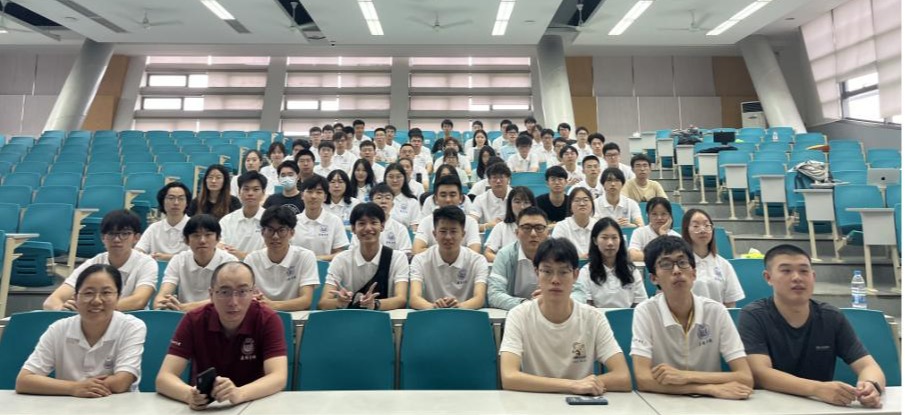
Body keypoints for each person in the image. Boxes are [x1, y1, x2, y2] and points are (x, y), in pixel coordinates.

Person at [738, 244, 885, 408]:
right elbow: (760, 373)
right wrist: (817, 389)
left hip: (821, 407)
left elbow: (868, 365)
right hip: (769, 407)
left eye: (804, 271)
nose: (797, 277)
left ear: (813, 276)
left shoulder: (831, 316)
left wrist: (871, 386)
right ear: (768, 277)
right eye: (786, 271)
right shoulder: (754, 315)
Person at [499, 238, 631, 395]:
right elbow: (509, 377)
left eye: (563, 272)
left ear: (575, 275)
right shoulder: (518, 315)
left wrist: (585, 385)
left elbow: (623, 377)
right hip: (535, 400)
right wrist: (572, 385)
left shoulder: (593, 318)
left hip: (581, 403)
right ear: (536, 273)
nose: (555, 280)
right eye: (547, 271)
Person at [631, 236, 754, 400]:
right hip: (664, 402)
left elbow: (745, 377)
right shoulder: (645, 312)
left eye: (682, 262)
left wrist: (686, 376)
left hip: (714, 404)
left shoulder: (717, 311)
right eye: (666, 264)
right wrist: (706, 389)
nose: (676, 270)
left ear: (694, 273)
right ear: (654, 278)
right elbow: (643, 379)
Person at [156, 262, 287, 409]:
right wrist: (189, 395)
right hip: (207, 408)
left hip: (255, 403)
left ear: (253, 293)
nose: (233, 302)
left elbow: (278, 377)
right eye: (225, 292)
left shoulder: (268, 319)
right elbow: (164, 378)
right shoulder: (193, 320)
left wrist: (239, 393)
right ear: (211, 294)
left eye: (242, 292)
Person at [17, 264, 146, 397]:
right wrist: (74, 388)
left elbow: (121, 383)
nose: (96, 301)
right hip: (69, 405)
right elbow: (24, 380)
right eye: (88, 293)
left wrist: (76, 386)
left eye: (106, 293)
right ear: (76, 298)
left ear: (118, 297)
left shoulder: (132, 327)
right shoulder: (58, 329)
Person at [43, 210, 157, 312]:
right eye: (111, 234)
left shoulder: (146, 263)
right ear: (103, 238)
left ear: (136, 237)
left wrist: (92, 307)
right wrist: (60, 309)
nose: (117, 239)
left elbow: (139, 301)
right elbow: (51, 301)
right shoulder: (93, 263)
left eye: (125, 234)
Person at [488, 207, 586, 310]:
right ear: (517, 233)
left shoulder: (560, 253)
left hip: (554, 312)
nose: (533, 234)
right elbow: (494, 294)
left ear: (548, 233)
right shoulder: (505, 255)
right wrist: (529, 305)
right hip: (519, 312)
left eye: (539, 228)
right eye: (526, 228)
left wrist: (554, 301)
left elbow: (579, 293)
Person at [317, 203, 409, 311]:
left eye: (374, 223)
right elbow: (323, 303)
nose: (368, 228)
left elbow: (401, 299)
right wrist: (339, 302)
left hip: (386, 318)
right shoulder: (341, 260)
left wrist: (374, 304)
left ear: (382, 226)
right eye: (362, 223)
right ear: (353, 229)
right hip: (352, 317)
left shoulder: (398, 258)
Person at [409, 206, 488, 310]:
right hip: (432, 315)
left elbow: (479, 298)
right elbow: (414, 298)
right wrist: (434, 307)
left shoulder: (478, 261)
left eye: (453, 231)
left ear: (463, 234)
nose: (448, 237)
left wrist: (458, 307)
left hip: (466, 315)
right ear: (434, 234)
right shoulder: (420, 260)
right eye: (443, 231)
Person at [155, 214, 238, 311]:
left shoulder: (230, 263)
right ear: (186, 240)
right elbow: (160, 299)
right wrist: (165, 303)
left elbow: (226, 299)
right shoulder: (178, 260)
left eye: (208, 235)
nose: (202, 240)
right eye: (196, 235)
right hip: (183, 316)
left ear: (218, 238)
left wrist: (183, 307)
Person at [243, 206, 320, 311]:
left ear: (292, 233)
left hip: (295, 316)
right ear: (262, 232)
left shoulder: (305, 256)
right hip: (260, 315)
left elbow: (306, 300)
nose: (275, 236)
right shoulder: (251, 260)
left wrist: (272, 305)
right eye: (270, 230)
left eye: (281, 230)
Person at [578, 217, 647, 308]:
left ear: (620, 240)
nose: (610, 243)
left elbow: (641, 305)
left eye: (614, 238)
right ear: (595, 240)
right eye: (604, 238)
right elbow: (586, 307)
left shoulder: (632, 271)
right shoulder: (586, 272)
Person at [681, 209, 745, 306]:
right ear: (686, 230)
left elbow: (730, 303)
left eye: (707, 225)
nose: (702, 230)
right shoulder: (680, 264)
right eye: (696, 226)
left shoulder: (724, 265)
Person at [413, 175, 481, 254]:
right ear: (436, 199)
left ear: (460, 198)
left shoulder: (471, 222)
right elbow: (417, 250)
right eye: (443, 195)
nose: (448, 200)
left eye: (452, 195)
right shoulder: (426, 222)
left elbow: (474, 252)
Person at [291, 175, 349, 261]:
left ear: (325, 197)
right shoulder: (293, 222)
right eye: (309, 192)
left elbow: (340, 253)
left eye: (319, 192)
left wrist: (316, 259)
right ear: (302, 195)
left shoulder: (334, 221)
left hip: (325, 268)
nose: (313, 196)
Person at [349, 183, 413, 255]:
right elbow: (353, 252)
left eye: (387, 198)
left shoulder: (400, 229)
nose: (383, 201)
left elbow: (405, 254)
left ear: (392, 205)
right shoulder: (362, 227)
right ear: (371, 202)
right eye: (379, 198)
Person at [219, 171, 267, 260]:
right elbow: (219, 247)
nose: (250, 193)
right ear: (239, 192)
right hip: (230, 266)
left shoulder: (270, 220)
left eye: (256, 189)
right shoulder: (227, 220)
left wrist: (242, 255)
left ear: (263, 193)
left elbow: (268, 253)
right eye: (246, 189)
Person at [136, 182, 191, 261]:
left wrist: (166, 257)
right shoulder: (154, 228)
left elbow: (196, 257)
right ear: (162, 202)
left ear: (187, 203)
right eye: (171, 198)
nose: (176, 203)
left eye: (181, 198)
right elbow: (138, 252)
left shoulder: (194, 226)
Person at [485, 186, 536, 262]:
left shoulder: (539, 227)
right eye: (517, 202)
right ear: (510, 204)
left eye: (526, 202)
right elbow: (488, 253)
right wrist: (506, 262)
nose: (522, 207)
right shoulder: (501, 227)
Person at [628, 197, 681, 261]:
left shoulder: (676, 237)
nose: (659, 218)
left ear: (670, 216)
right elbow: (633, 255)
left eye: (663, 214)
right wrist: (663, 257)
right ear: (648, 215)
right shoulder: (639, 232)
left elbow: (675, 258)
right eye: (654, 214)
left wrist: (663, 234)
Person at [552, 187, 598, 259]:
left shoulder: (598, 225)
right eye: (577, 200)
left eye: (586, 200)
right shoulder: (561, 227)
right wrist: (579, 259)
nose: (582, 204)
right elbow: (556, 254)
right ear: (570, 206)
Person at [470, 161, 512, 232]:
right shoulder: (480, 199)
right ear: (489, 181)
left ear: (508, 179)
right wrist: (486, 226)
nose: (498, 181)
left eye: (501, 177)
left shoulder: (516, 197)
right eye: (494, 178)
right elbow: (470, 225)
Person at [383, 162, 422, 228]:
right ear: (385, 178)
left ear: (404, 178)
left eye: (398, 177)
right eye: (391, 177)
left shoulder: (412, 202)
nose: (395, 180)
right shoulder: (378, 200)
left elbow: (414, 229)